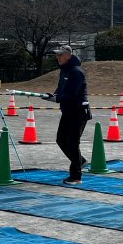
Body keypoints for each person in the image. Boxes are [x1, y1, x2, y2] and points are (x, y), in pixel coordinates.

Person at [42, 45, 90, 184]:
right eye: (57, 55)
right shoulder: (64, 71)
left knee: (72, 144)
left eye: (60, 55)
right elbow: (60, 89)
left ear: (68, 56)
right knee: (61, 140)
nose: (58, 57)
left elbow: (72, 94)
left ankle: (76, 176)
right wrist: (53, 95)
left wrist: (57, 98)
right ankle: (80, 161)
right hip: (68, 111)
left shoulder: (76, 71)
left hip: (79, 112)